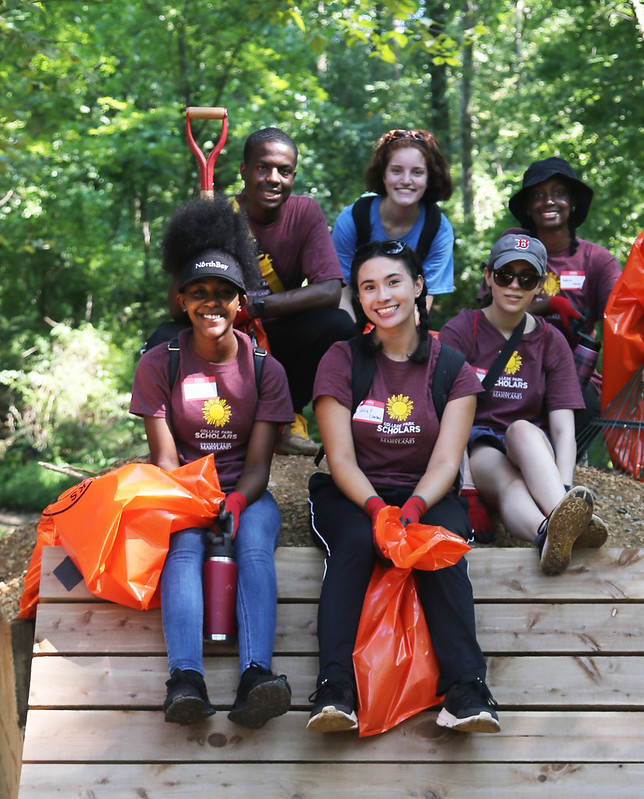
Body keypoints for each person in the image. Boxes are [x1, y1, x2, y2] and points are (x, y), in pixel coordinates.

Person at [306, 239, 500, 735]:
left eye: (393, 282)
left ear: (418, 287)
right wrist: (376, 511)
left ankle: (466, 689)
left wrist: (412, 512)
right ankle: (334, 688)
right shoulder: (340, 359)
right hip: (354, 494)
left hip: (425, 493)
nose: (382, 295)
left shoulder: (452, 368)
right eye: (368, 286)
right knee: (352, 543)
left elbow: (445, 461)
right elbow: (341, 457)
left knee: (441, 548)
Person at [130, 201, 295, 728]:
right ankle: (186, 681)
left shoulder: (265, 367)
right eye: (199, 293)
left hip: (246, 489)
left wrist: (240, 500)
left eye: (223, 293)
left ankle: (256, 677)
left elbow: (259, 462)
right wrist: (193, 504)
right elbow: (162, 458)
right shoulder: (161, 363)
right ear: (182, 300)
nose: (211, 303)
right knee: (182, 548)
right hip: (181, 488)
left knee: (254, 545)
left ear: (241, 301)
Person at [440, 233, 606, 575]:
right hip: (479, 446)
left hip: (530, 445)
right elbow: (446, 414)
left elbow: (562, 429)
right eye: (505, 275)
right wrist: (467, 488)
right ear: (488, 276)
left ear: (541, 285)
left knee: (523, 430)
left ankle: (563, 513)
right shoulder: (462, 329)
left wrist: (563, 486)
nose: (514, 286)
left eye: (527, 278)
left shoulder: (550, 339)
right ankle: (547, 535)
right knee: (509, 483)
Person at [233, 127, 355, 456]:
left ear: (293, 175)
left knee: (339, 324)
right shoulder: (220, 213)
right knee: (165, 339)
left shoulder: (304, 212)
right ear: (244, 170)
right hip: (225, 338)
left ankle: (289, 417)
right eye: (263, 168)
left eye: (284, 171)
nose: (274, 178)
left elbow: (330, 290)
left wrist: (256, 306)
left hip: (275, 334)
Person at [501, 157, 623, 442]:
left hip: (575, 374)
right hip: (514, 366)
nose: (549, 202)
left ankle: (562, 478)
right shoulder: (514, 244)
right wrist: (548, 304)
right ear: (528, 208)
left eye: (558, 193)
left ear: (573, 202)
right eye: (538, 195)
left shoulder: (597, 260)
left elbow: (622, 315)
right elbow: (490, 310)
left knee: (585, 407)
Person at [332, 128, 455, 316]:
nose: (406, 180)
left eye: (417, 172)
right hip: (355, 316)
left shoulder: (438, 229)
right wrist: (354, 340)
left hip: (406, 318)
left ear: (429, 178)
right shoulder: (353, 219)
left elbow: (425, 299)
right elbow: (343, 292)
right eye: (396, 171)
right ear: (383, 175)